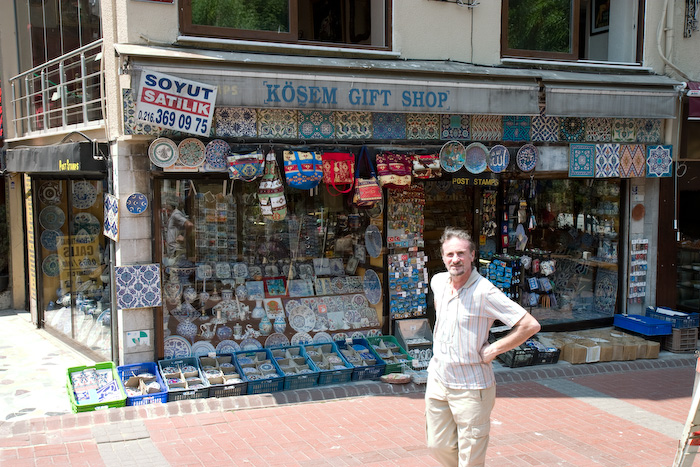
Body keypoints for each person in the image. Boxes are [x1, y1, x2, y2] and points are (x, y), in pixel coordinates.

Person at [426, 227, 541, 467]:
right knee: (437, 446)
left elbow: (529, 325)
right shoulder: (438, 282)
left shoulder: (485, 291)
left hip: (471, 387)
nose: (455, 259)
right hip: (438, 381)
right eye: (449, 254)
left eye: (460, 253)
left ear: (471, 256)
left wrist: (494, 349)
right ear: (442, 256)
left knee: (470, 458)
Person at [163, 195, 193, 263]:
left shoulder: (176, 215)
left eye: (166, 203)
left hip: (177, 250)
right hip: (174, 250)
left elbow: (189, 224)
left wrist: (184, 237)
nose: (165, 205)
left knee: (176, 269)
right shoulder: (173, 214)